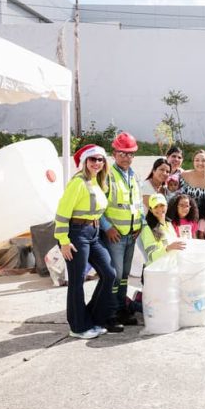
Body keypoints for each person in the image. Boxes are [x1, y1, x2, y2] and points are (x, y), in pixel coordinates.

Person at [54, 144, 119, 339]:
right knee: (76, 281)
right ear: (84, 161)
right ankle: (78, 327)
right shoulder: (78, 182)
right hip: (76, 234)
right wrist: (64, 241)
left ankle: (92, 318)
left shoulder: (96, 181)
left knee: (109, 274)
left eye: (100, 159)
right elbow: (62, 213)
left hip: (93, 233)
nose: (97, 163)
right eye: (93, 159)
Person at [100, 132, 145, 327]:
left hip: (131, 234)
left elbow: (138, 204)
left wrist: (140, 223)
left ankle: (121, 309)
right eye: (122, 153)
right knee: (115, 276)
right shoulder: (107, 175)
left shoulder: (134, 176)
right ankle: (109, 313)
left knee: (124, 276)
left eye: (130, 154)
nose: (126, 157)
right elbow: (97, 207)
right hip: (115, 236)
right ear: (114, 154)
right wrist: (107, 227)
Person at [141, 194, 187, 264]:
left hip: (170, 266)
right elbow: (151, 256)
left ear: (167, 206)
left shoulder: (169, 224)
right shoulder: (147, 228)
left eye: (162, 205)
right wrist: (167, 248)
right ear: (150, 209)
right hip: (157, 270)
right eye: (155, 206)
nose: (159, 209)